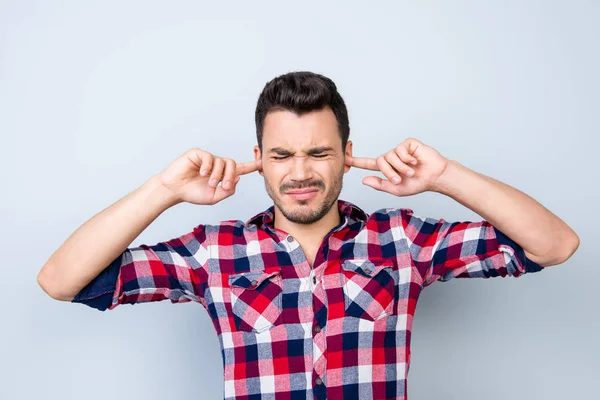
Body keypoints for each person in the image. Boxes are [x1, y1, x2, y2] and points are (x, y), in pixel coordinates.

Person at [37, 71, 580, 400]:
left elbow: (554, 244)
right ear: (259, 161)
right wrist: (163, 189)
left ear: (346, 153)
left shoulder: (403, 242)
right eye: (282, 155)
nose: (300, 172)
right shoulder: (213, 253)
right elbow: (61, 280)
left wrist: (445, 177)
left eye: (319, 152)